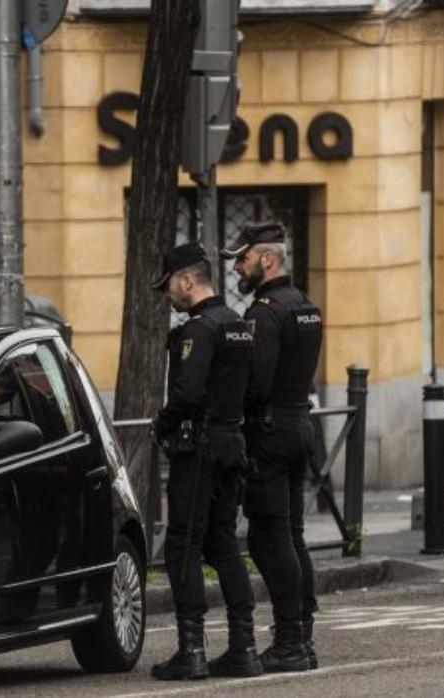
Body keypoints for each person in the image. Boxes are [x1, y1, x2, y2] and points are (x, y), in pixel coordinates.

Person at [149, 243, 261, 681]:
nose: (167, 296)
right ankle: (244, 646)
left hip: (198, 449)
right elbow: (253, 388)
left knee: (182, 546)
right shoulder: (238, 324)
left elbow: (188, 394)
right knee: (223, 544)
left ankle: (191, 649)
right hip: (231, 444)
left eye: (169, 286)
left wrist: (161, 425)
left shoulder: (198, 329)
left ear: (188, 280)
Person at [221, 221, 324, 672]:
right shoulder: (305, 306)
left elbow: (255, 384)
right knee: (293, 536)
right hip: (300, 424)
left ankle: (289, 642)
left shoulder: (263, 313)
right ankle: (302, 633)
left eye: (242, 259)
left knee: (268, 539)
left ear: (267, 258)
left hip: (268, 433)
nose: (238, 268)